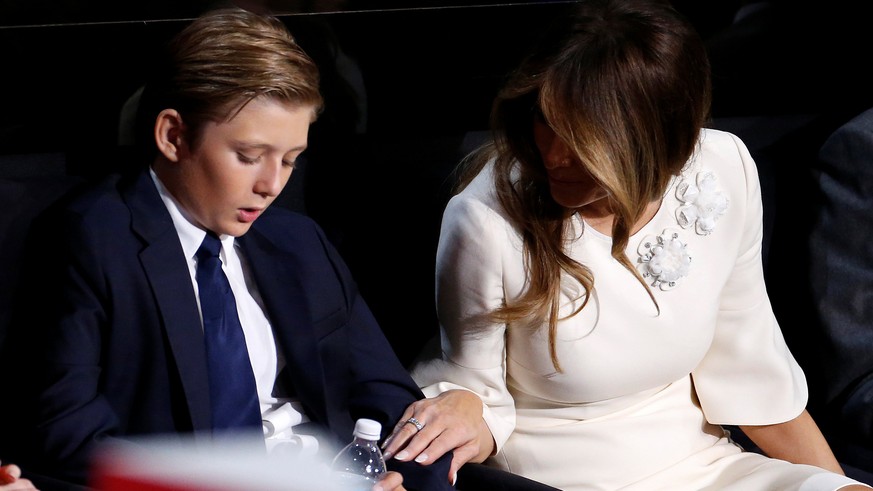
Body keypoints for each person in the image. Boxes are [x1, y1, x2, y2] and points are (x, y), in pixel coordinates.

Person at [380, 0, 872, 489]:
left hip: (708, 462)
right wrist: (461, 412)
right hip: (563, 479)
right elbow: (475, 397)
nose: (551, 154)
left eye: (580, 136)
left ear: (656, 135)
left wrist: (835, 484)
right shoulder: (484, 220)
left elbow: (749, 368)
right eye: (544, 119)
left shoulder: (725, 166)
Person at [0, 7, 452, 491]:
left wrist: (394, 480)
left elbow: (389, 399)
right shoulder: (89, 237)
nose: (271, 185)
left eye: (291, 161)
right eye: (249, 157)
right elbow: (65, 436)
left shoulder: (297, 242)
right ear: (173, 136)